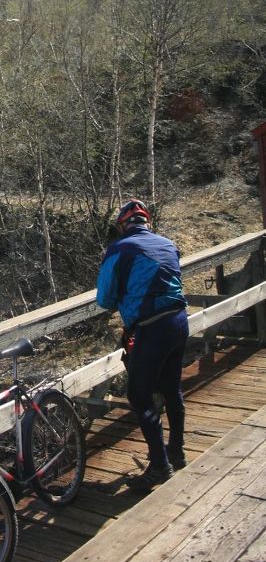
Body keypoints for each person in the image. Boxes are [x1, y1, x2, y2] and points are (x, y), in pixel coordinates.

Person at [96, 198, 189, 491]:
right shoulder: (168, 244)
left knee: (139, 396)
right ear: (147, 222)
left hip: (151, 328)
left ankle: (160, 465)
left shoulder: (120, 249)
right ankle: (176, 451)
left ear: (123, 225)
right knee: (171, 388)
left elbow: (105, 299)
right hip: (179, 321)